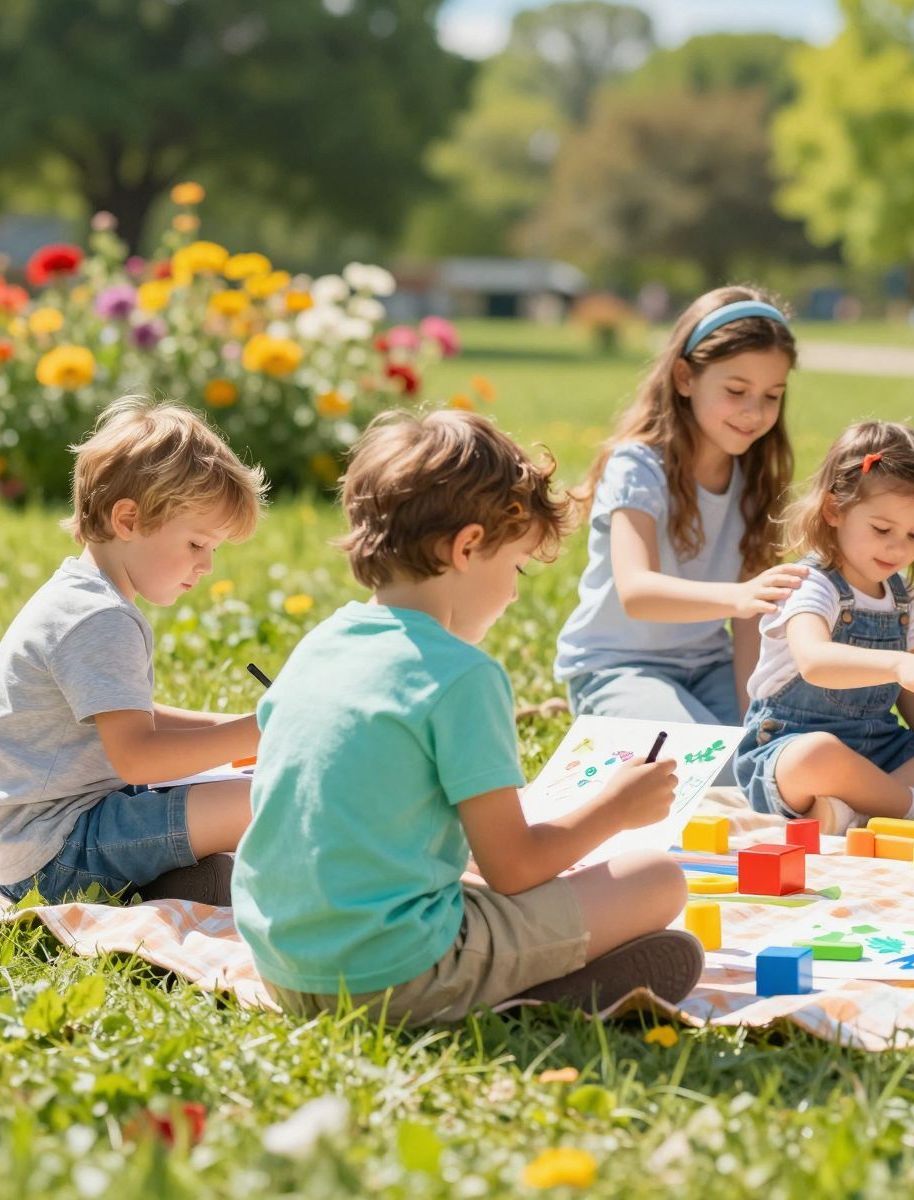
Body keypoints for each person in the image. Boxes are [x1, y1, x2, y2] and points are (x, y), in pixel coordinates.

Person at [234, 409, 700, 1021]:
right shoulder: (463, 674)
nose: (512, 593)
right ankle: (524, 997)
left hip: (285, 966)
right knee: (656, 878)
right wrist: (617, 807)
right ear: (467, 547)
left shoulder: (320, 643)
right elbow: (515, 869)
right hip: (397, 975)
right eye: (516, 567)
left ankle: (513, 982)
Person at [0, 397, 266, 906]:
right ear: (128, 519)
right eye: (197, 544)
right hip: (54, 857)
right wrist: (255, 732)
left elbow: (129, 717)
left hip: (47, 839)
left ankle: (178, 882)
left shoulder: (83, 596)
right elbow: (137, 757)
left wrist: (239, 728)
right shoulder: (99, 618)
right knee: (266, 799)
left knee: (241, 778)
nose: (208, 566)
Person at [735, 421, 914, 833]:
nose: (898, 547)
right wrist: (897, 664)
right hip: (792, 751)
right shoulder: (811, 585)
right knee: (819, 754)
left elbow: (912, 699)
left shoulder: (902, 597)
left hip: (881, 750)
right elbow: (815, 661)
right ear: (834, 510)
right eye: (882, 529)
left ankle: (861, 811)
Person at [555, 285, 805, 730]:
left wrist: (754, 725)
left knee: (771, 759)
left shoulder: (756, 480)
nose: (754, 412)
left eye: (772, 395)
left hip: (710, 669)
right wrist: (739, 597)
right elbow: (638, 592)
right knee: (706, 767)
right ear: (685, 378)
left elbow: (750, 623)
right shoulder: (637, 466)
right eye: (736, 389)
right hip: (619, 668)